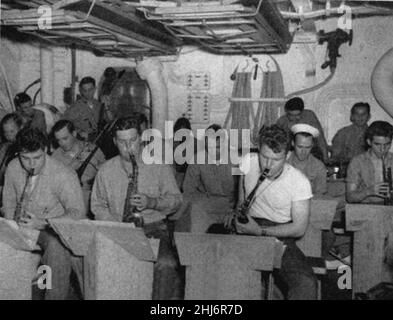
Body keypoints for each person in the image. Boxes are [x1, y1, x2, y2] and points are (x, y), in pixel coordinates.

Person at [91, 117, 183, 300]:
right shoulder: (105, 170)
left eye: (132, 140)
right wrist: (114, 223)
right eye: (122, 142)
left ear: (141, 138)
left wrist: (152, 202)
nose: (128, 147)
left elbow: (176, 200)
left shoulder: (159, 166)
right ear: (115, 142)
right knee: (98, 262)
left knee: (166, 264)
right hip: (117, 228)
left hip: (153, 227)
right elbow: (97, 205)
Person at [227, 124, 317, 300]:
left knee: (306, 283)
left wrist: (260, 232)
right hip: (248, 226)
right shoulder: (247, 161)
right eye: (264, 156)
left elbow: (299, 229)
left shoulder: (299, 181)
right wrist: (238, 219)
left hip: (279, 233)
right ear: (258, 149)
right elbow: (240, 201)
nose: (268, 165)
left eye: (276, 160)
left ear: (288, 155)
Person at [2, 127, 85, 299]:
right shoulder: (13, 166)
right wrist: (10, 228)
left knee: (57, 248)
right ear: (18, 154)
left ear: (46, 150)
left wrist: (45, 223)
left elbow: (77, 213)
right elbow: (9, 202)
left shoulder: (64, 174)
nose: (32, 164)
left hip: (50, 230)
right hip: (21, 226)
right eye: (25, 158)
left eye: (37, 158)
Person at [181, 124, 237, 233]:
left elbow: (242, 193)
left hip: (231, 207)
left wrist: (234, 211)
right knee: (194, 211)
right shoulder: (198, 159)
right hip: (207, 204)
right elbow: (188, 190)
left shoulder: (236, 161)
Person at [51, 120, 106, 214]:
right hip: (72, 202)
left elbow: (107, 173)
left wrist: (96, 165)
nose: (62, 143)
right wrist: (75, 163)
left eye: (65, 138)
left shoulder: (91, 148)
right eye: (58, 140)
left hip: (97, 198)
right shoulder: (55, 157)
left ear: (74, 134)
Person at [346, 120, 393, 204]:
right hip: (366, 209)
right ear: (369, 142)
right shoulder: (357, 161)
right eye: (377, 144)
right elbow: (350, 197)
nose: (382, 149)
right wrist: (369, 191)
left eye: (387, 144)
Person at [276, 97, 328, 163]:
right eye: (291, 115)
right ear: (286, 112)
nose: (294, 118)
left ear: (302, 111)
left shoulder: (309, 116)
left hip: (312, 154)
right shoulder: (282, 122)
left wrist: (326, 159)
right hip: (291, 157)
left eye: (297, 115)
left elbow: (320, 139)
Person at [63, 77, 112, 142]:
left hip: (99, 140)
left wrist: (106, 107)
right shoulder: (74, 108)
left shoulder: (99, 105)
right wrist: (78, 133)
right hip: (84, 142)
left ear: (95, 89)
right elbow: (63, 125)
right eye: (85, 90)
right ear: (81, 91)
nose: (88, 93)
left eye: (90, 90)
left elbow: (110, 122)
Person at [287, 123, 327, 197]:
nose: (303, 152)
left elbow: (319, 195)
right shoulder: (283, 161)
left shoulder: (319, 167)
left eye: (307, 147)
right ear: (293, 143)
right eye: (300, 147)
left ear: (312, 146)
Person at [0, 113, 23, 200]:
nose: (8, 135)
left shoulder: (24, 149)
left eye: (12, 131)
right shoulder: (5, 146)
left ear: (20, 128)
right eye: (5, 132)